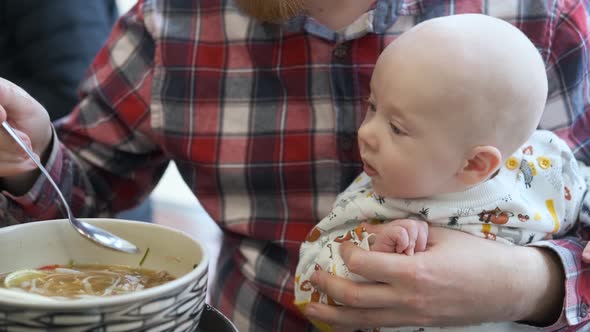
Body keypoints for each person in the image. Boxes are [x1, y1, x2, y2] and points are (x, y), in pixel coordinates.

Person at [0, 0, 588, 331]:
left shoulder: (542, 21)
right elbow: (80, 193)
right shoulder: (168, 24)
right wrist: (31, 155)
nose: (368, 134)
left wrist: (526, 285)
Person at [294, 14, 588, 332]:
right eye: (373, 106)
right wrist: (366, 253)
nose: (365, 133)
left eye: (396, 127)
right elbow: (309, 284)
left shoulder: (543, 169)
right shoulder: (372, 200)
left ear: (475, 165)